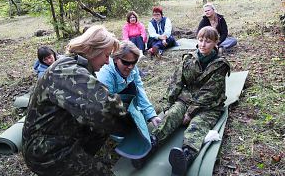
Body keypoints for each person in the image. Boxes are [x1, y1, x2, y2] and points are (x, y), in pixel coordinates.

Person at [22, 25, 134, 176]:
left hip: (58, 135)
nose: (108, 62)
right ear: (93, 50)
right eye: (106, 55)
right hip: (46, 151)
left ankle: (85, 158)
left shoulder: (73, 65)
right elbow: (104, 109)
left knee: (100, 130)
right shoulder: (69, 71)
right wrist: (131, 125)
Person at [136, 26, 230, 174]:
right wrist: (168, 104)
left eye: (208, 41)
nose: (203, 44)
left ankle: (186, 157)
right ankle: (149, 147)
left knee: (197, 127)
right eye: (201, 40)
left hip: (208, 106)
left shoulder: (220, 65)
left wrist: (190, 113)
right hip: (185, 99)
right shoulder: (189, 58)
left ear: (215, 43)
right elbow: (176, 82)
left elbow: (210, 93)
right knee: (171, 116)